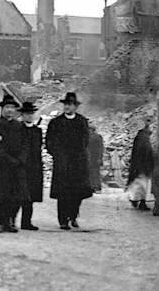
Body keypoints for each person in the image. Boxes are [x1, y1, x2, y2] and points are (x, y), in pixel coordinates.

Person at [46, 92, 92, 230]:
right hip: (62, 163)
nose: (67, 107)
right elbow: (49, 142)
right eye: (66, 104)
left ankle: (73, 216)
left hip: (77, 162)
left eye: (70, 104)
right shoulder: (56, 123)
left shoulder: (82, 122)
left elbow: (85, 140)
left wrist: (78, 155)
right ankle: (62, 220)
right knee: (63, 193)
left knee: (77, 192)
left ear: (75, 107)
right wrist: (57, 155)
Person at [0, 95, 29, 233]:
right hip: (3, 166)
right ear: (2, 109)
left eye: (12, 108)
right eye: (7, 107)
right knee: (4, 195)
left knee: (18, 195)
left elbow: (26, 145)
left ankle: (12, 220)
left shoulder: (19, 126)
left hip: (18, 166)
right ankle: (2, 223)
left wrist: (21, 159)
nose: (10, 110)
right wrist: (8, 159)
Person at [18, 102, 43, 231]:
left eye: (31, 114)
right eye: (26, 114)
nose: (29, 116)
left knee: (31, 196)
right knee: (18, 194)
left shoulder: (37, 131)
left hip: (34, 167)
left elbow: (38, 148)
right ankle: (10, 221)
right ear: (21, 115)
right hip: (20, 166)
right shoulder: (17, 129)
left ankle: (26, 222)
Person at [127, 117, 154, 211]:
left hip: (139, 166)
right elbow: (147, 152)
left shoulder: (139, 137)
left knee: (139, 184)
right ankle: (141, 202)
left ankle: (136, 200)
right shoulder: (144, 139)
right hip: (143, 166)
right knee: (142, 185)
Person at [87, 125, 104, 194]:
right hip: (94, 159)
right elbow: (101, 148)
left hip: (93, 158)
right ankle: (94, 188)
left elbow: (100, 148)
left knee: (94, 173)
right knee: (94, 173)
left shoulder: (93, 137)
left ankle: (96, 188)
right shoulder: (97, 137)